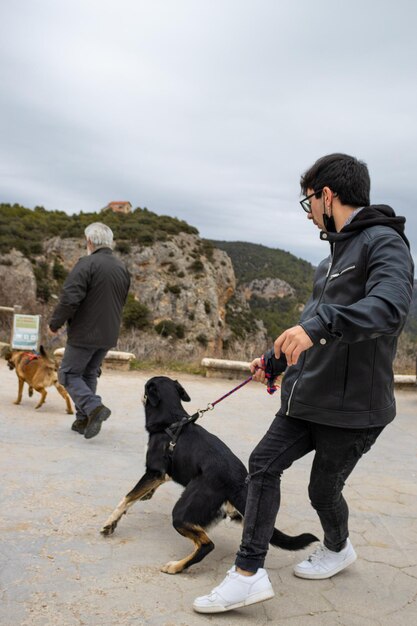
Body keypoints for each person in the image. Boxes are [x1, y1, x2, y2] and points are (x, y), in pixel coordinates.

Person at [193, 153, 414, 613]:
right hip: (306, 397)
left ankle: (338, 547)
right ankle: (247, 573)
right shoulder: (328, 259)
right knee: (262, 464)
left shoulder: (385, 244)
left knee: (322, 491)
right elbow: (311, 326)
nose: (309, 210)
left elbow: (390, 309)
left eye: (308, 200)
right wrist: (273, 362)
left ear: (326, 195)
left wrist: (318, 325)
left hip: (354, 409)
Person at [48, 222, 130, 439]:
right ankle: (84, 419)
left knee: (67, 374)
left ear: (90, 242)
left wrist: (55, 323)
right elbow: (121, 301)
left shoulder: (87, 263)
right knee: (88, 373)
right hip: (108, 334)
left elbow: (70, 298)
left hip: (85, 332)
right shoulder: (121, 267)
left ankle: (93, 407)